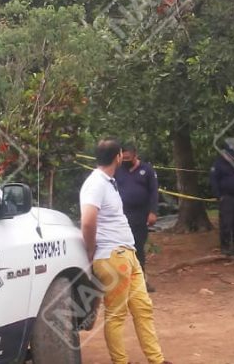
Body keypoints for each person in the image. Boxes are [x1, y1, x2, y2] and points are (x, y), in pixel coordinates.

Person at [80, 138, 172, 364]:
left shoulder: (108, 181)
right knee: (116, 314)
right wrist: (91, 250)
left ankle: (157, 360)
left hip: (127, 255)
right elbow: (88, 222)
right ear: (118, 156)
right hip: (113, 258)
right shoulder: (96, 184)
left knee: (143, 308)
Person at [116, 142, 160, 292]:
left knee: (138, 248)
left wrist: (153, 212)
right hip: (121, 216)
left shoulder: (146, 170)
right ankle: (123, 281)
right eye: (124, 158)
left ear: (135, 154)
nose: (126, 161)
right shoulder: (117, 169)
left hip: (140, 215)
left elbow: (154, 192)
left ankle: (140, 281)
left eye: (129, 158)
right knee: (121, 249)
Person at [209, 143, 234, 258]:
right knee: (226, 223)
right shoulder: (218, 164)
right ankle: (225, 249)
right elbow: (213, 181)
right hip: (227, 197)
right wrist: (219, 196)